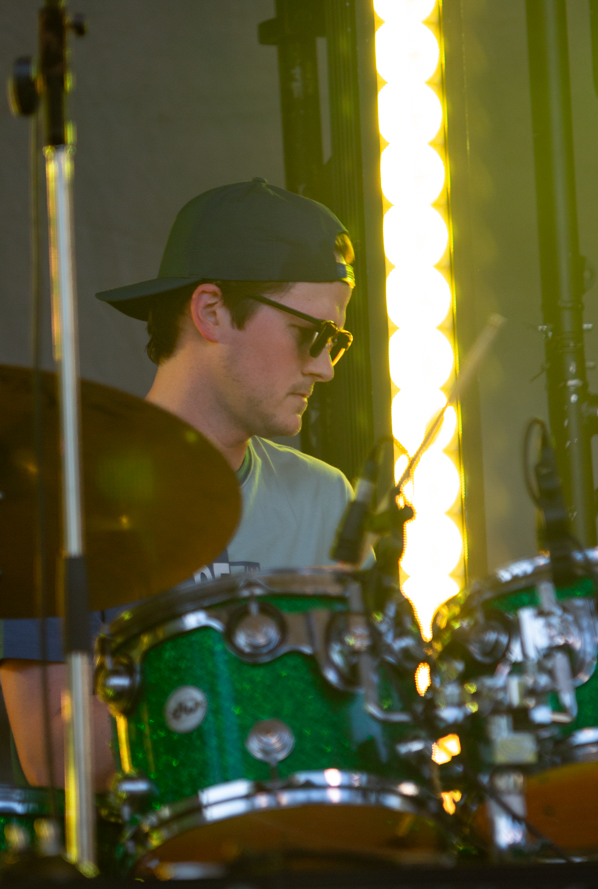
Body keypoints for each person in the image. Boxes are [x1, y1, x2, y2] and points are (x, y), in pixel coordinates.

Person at [0, 178, 357, 790]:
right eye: (312, 335)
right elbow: (55, 758)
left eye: (338, 342)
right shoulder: (57, 493)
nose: (324, 368)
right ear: (211, 311)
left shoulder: (326, 497)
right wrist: (262, 685)